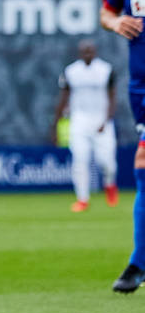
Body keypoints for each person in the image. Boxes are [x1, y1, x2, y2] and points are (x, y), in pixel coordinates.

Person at [102, 0, 145, 293]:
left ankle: (138, 264)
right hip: (141, 88)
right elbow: (105, 13)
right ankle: (139, 264)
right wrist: (116, 23)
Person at [52, 40, 119, 213]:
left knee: (108, 163)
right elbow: (63, 97)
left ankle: (109, 184)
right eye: (85, 51)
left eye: (90, 51)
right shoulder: (71, 71)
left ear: (95, 52)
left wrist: (107, 120)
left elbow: (112, 97)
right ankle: (82, 199)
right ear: (80, 53)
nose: (88, 54)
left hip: (102, 121)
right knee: (80, 160)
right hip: (80, 120)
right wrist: (56, 124)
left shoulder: (106, 70)